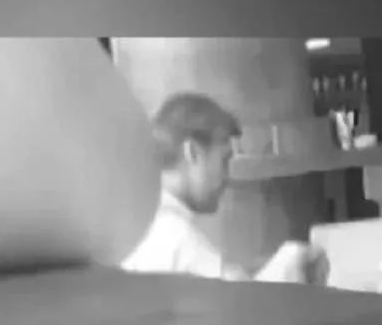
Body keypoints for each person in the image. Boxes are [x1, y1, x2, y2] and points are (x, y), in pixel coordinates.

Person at [121, 92, 328, 284]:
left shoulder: (138, 223)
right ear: (192, 151)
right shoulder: (173, 236)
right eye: (224, 159)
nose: (227, 177)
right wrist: (287, 264)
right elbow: (244, 304)